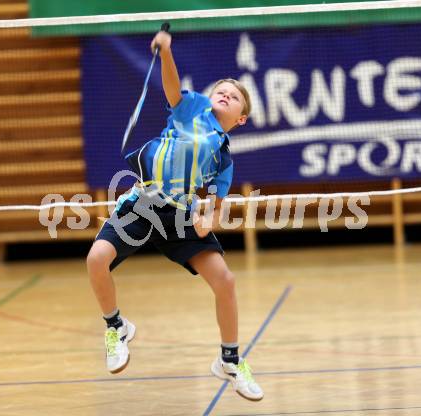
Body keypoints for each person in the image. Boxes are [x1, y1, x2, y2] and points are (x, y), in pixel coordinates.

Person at [86, 29, 263, 401]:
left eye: (234, 97)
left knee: (225, 281)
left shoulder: (223, 157)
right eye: (222, 90)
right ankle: (116, 326)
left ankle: (229, 361)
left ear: (241, 118)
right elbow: (171, 86)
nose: (226, 94)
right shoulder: (193, 108)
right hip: (144, 204)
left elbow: (214, 203)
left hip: (180, 216)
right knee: (96, 259)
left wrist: (207, 220)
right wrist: (166, 51)